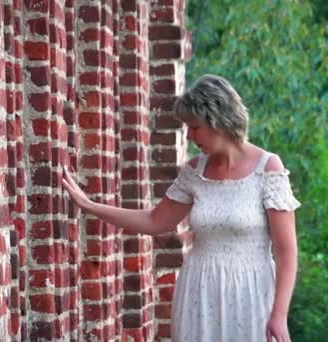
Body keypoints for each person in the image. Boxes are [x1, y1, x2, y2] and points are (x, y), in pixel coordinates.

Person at [62, 74, 300, 342]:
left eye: (195, 127)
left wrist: (279, 314)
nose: (189, 135)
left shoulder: (268, 168)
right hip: (199, 291)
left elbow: (286, 250)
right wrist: (89, 205)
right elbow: (155, 221)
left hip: (252, 294)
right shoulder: (194, 171)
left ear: (218, 121)